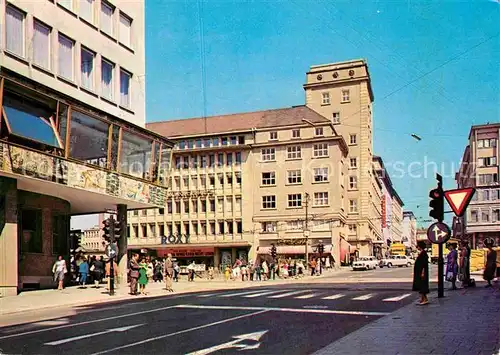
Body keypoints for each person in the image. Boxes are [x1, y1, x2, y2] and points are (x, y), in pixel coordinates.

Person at [412, 241, 429, 305]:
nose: (417, 247)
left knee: (422, 285)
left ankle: (424, 299)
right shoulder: (422, 253)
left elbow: (424, 264)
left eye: (418, 246)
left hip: (422, 272)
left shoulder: (423, 253)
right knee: (421, 285)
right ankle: (423, 299)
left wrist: (422, 272)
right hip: (419, 272)